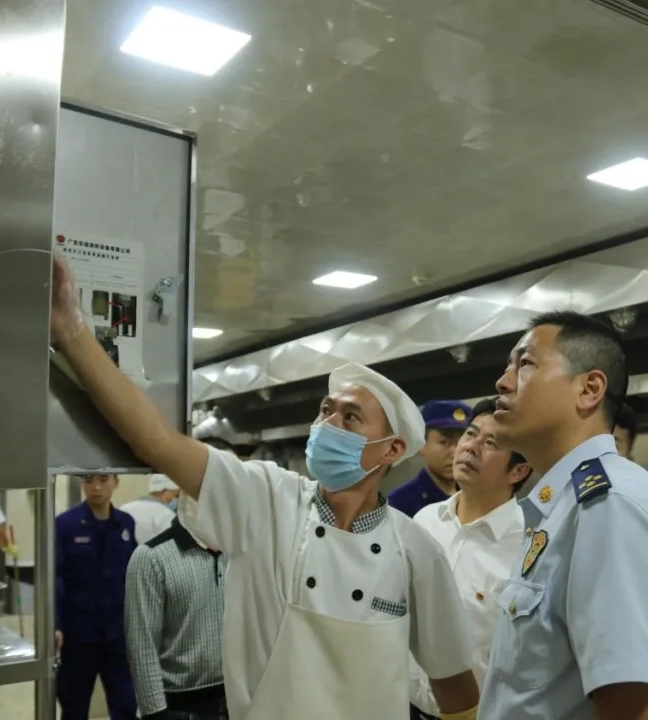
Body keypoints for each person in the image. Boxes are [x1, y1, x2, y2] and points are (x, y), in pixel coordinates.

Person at [47, 255, 481, 720]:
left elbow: (455, 684)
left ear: (391, 450)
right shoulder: (267, 499)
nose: (327, 423)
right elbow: (157, 442)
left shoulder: (415, 550)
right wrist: (71, 332)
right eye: (325, 409)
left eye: (350, 416)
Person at [479, 310, 648, 720]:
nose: (503, 382)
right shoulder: (562, 506)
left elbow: (629, 707)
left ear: (589, 389)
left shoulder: (608, 505)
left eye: (525, 364)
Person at [409, 398, 531, 720]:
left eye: (491, 443)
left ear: (518, 470)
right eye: (471, 434)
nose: (470, 448)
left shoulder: (528, 547)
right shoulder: (424, 522)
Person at [126, 515, 228, 719]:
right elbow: (142, 646)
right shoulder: (152, 557)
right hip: (179, 703)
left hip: (236, 700)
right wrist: (156, 713)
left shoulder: (240, 552)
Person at [55, 473, 138, 720]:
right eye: (89, 481)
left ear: (115, 482)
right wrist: (56, 624)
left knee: (125, 704)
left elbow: (133, 577)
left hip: (117, 634)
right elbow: (57, 578)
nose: (96, 487)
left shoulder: (125, 524)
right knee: (74, 706)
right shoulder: (66, 524)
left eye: (103, 480)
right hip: (79, 635)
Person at [389, 400, 472, 517]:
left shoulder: (474, 494)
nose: (455, 452)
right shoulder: (401, 503)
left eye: (461, 441)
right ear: (421, 444)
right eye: (444, 442)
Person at [122, 474, 180, 544]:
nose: (176, 499)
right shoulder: (166, 514)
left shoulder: (124, 509)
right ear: (164, 491)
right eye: (176, 495)